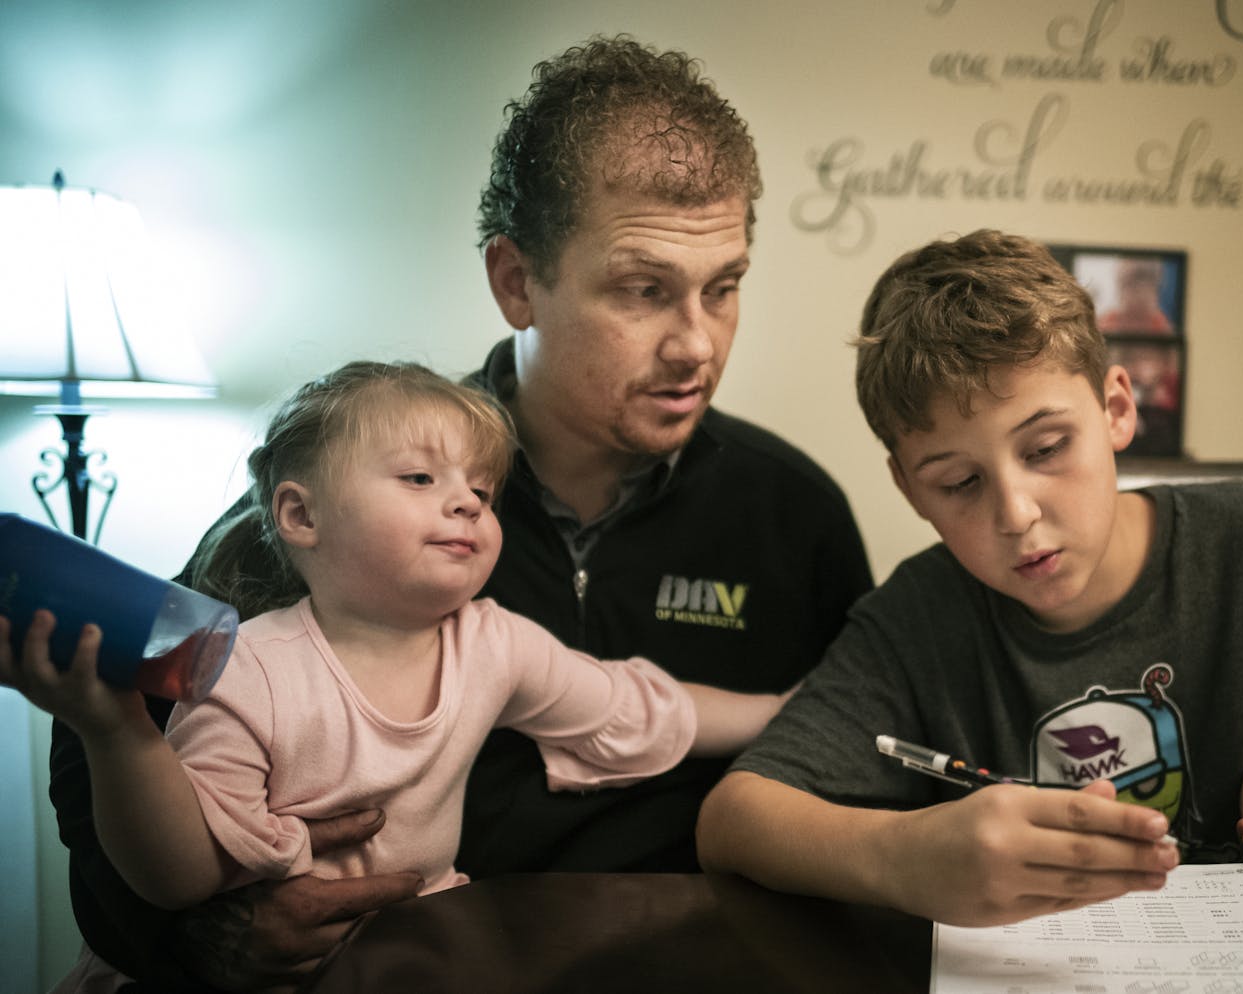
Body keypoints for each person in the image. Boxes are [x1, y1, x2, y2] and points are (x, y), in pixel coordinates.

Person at [47, 35, 874, 992]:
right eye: (644, 291)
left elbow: (843, 771)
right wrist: (200, 937)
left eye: (723, 288)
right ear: (517, 281)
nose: (697, 343)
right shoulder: (360, 488)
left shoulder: (792, 512)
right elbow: (101, 750)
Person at [6, 361, 791, 991]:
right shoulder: (250, 669)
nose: (465, 506)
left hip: (421, 950)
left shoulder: (494, 644)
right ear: (300, 517)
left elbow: (638, 708)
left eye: (481, 494)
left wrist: (783, 710)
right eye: (420, 480)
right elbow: (178, 877)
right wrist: (119, 735)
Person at [696, 230, 1243, 927]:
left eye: (1047, 448)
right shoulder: (917, 618)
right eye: (960, 482)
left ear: (1117, 410)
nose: (1016, 513)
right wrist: (903, 858)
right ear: (911, 490)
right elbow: (731, 820)